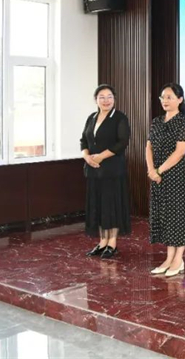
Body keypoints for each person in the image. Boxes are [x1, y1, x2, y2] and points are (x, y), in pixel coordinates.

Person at [146, 82, 185, 277]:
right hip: (157, 176)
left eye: (169, 97)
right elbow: (148, 147)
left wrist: (159, 170)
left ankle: (178, 259)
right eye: (163, 97)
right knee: (165, 216)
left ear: (180, 100)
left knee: (177, 216)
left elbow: (180, 151)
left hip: (174, 176)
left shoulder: (184, 122)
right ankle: (169, 258)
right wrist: (151, 170)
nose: (165, 101)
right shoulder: (157, 121)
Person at [80, 84, 131, 259]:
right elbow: (83, 140)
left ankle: (112, 243)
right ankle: (102, 242)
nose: (106, 100)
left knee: (111, 206)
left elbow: (122, 143)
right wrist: (87, 157)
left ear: (114, 99)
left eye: (109, 97)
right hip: (94, 171)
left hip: (112, 170)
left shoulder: (120, 118)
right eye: (102, 97)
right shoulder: (91, 118)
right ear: (96, 100)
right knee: (99, 206)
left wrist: (100, 157)